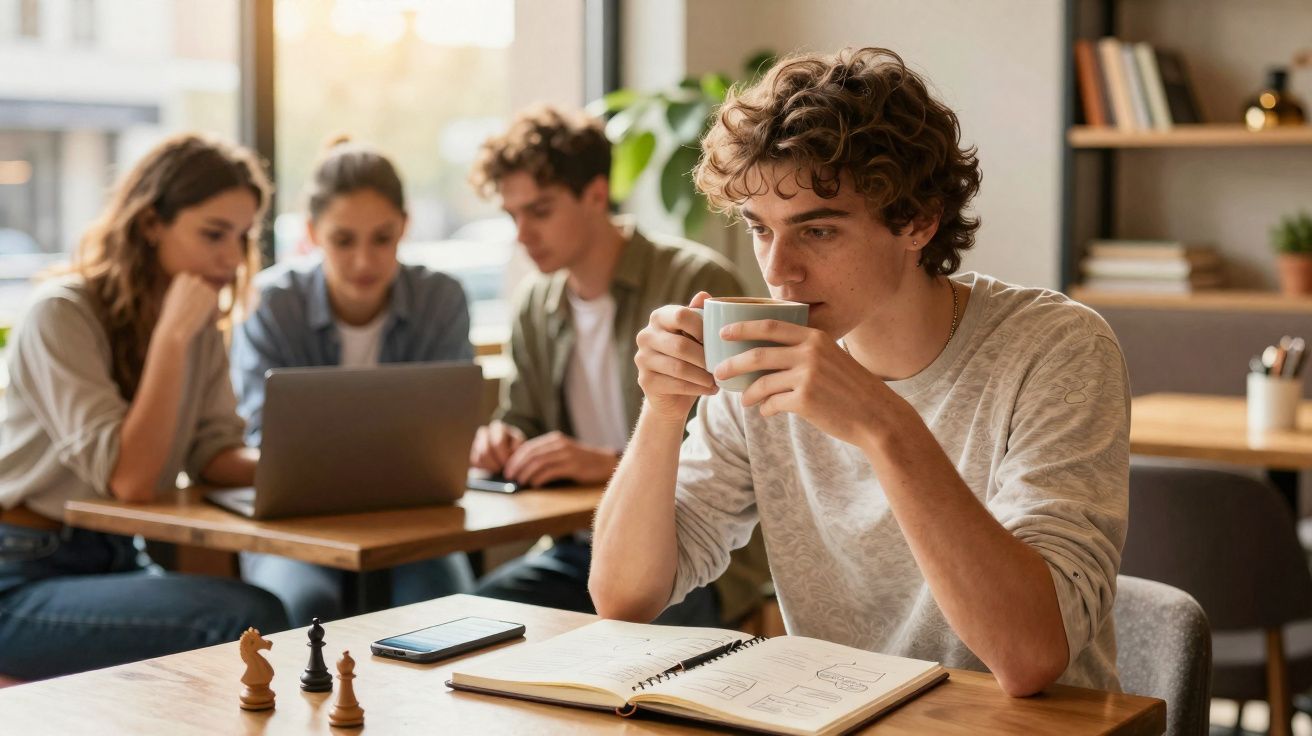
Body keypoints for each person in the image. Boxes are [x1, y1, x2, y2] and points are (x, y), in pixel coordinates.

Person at [589, 47, 1130, 697]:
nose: (778, 270)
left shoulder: (1056, 347)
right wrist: (663, 409)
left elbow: (1031, 657)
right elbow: (623, 597)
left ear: (918, 221)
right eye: (761, 230)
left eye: (817, 232)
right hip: (835, 714)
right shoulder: (761, 360)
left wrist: (882, 426)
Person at [467, 105, 770, 628]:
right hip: (581, 549)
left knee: (634, 631)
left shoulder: (694, 283)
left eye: (539, 211)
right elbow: (524, 421)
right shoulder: (535, 304)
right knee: (480, 615)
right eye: (512, 216)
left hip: (695, 555)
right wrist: (504, 440)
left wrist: (605, 461)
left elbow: (732, 449)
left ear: (596, 195)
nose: (522, 233)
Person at [0, 134, 290, 679]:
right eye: (213, 234)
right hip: (20, 574)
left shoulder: (198, 323)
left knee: (263, 615)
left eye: (243, 236)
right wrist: (171, 339)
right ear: (152, 223)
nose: (232, 258)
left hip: (116, 559)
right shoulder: (60, 315)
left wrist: (306, 467)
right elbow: (131, 480)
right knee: (245, 619)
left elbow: (213, 453)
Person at [230, 138, 475, 626]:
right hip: (296, 528)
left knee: (444, 615)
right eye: (344, 240)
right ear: (312, 233)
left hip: (413, 523)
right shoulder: (272, 304)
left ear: (404, 227)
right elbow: (261, 437)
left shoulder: (440, 299)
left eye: (382, 239)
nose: (365, 261)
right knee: (304, 609)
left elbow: (451, 438)